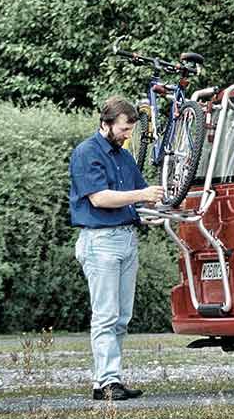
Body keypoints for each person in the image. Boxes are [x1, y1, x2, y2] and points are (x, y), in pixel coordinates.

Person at [69, 97, 163, 401]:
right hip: (100, 243)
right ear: (106, 123)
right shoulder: (87, 153)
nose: (128, 135)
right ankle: (108, 382)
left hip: (125, 240)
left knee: (122, 317)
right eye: (124, 129)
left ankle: (107, 380)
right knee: (106, 315)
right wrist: (141, 194)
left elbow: (140, 197)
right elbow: (100, 199)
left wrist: (158, 203)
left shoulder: (124, 158)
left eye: (131, 129)